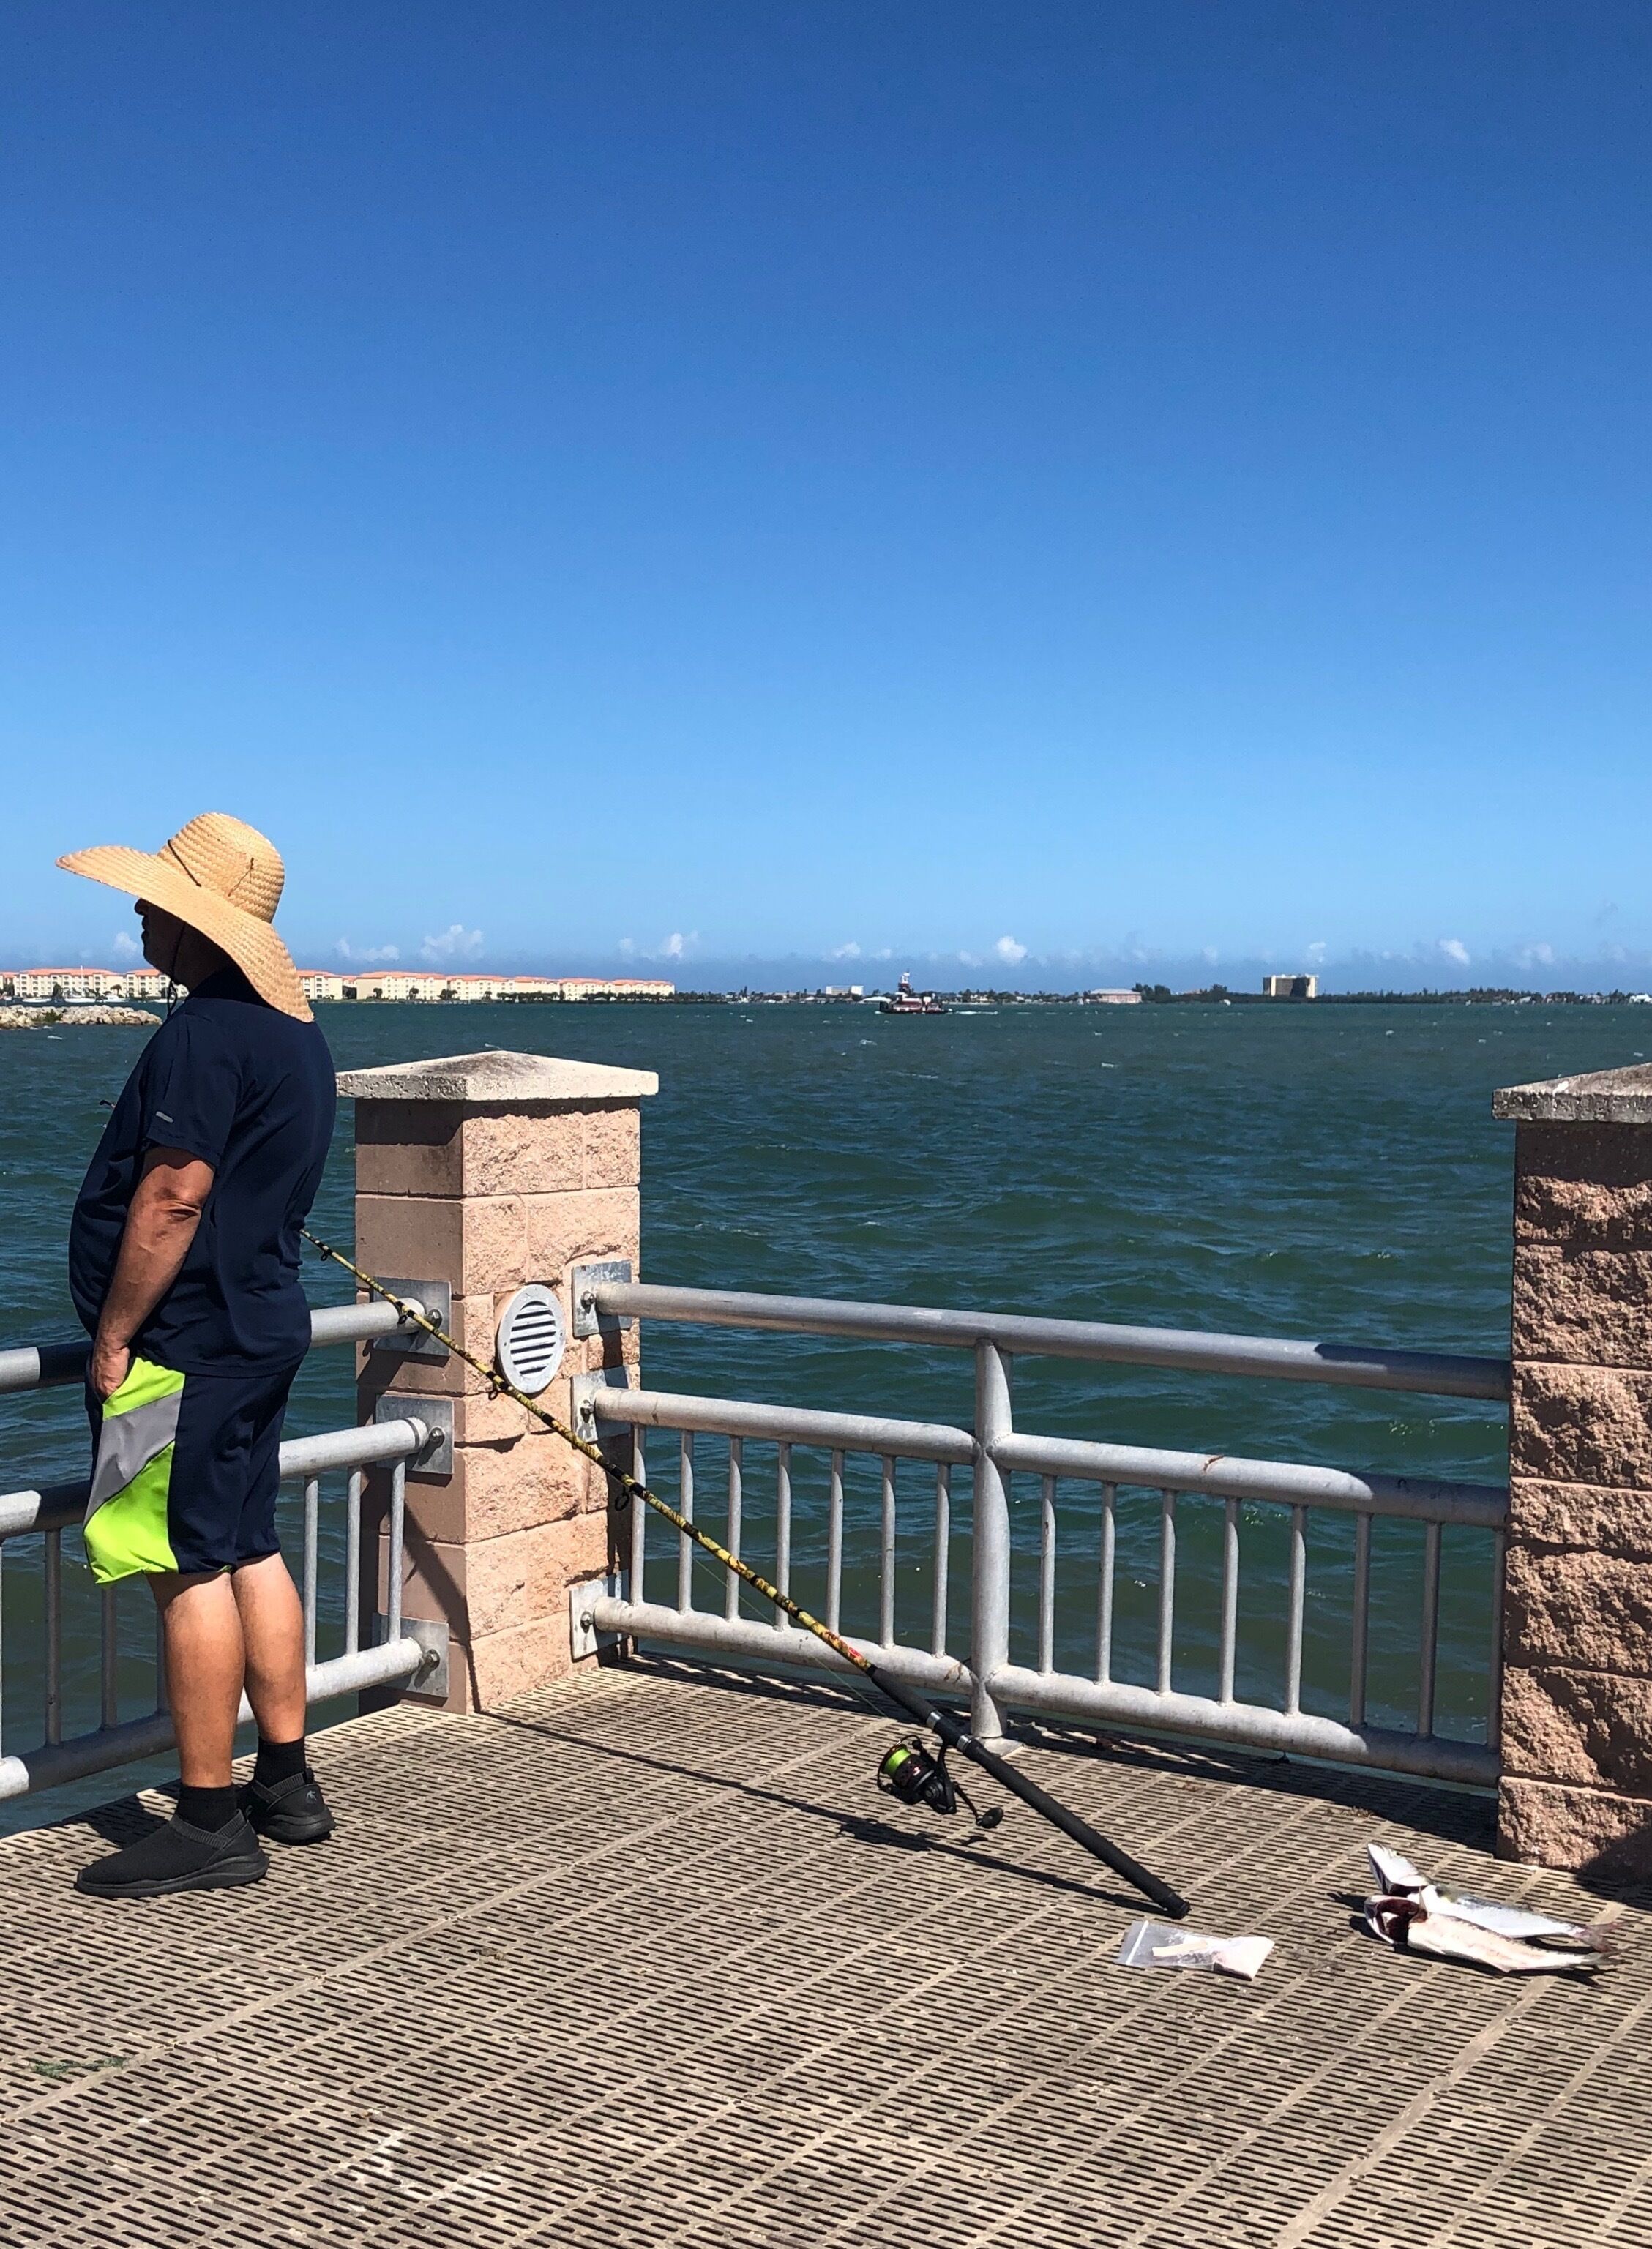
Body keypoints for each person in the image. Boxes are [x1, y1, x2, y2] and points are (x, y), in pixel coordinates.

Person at [60, 812, 337, 1898]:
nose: (138, 914)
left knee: (185, 1565)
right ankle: (287, 1778)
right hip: (261, 1326)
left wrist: (117, 1335)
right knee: (250, 1539)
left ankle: (212, 1815)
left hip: (186, 1342)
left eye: (156, 904)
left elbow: (173, 1197)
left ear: (196, 926)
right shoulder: (296, 1032)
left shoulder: (204, 1034)